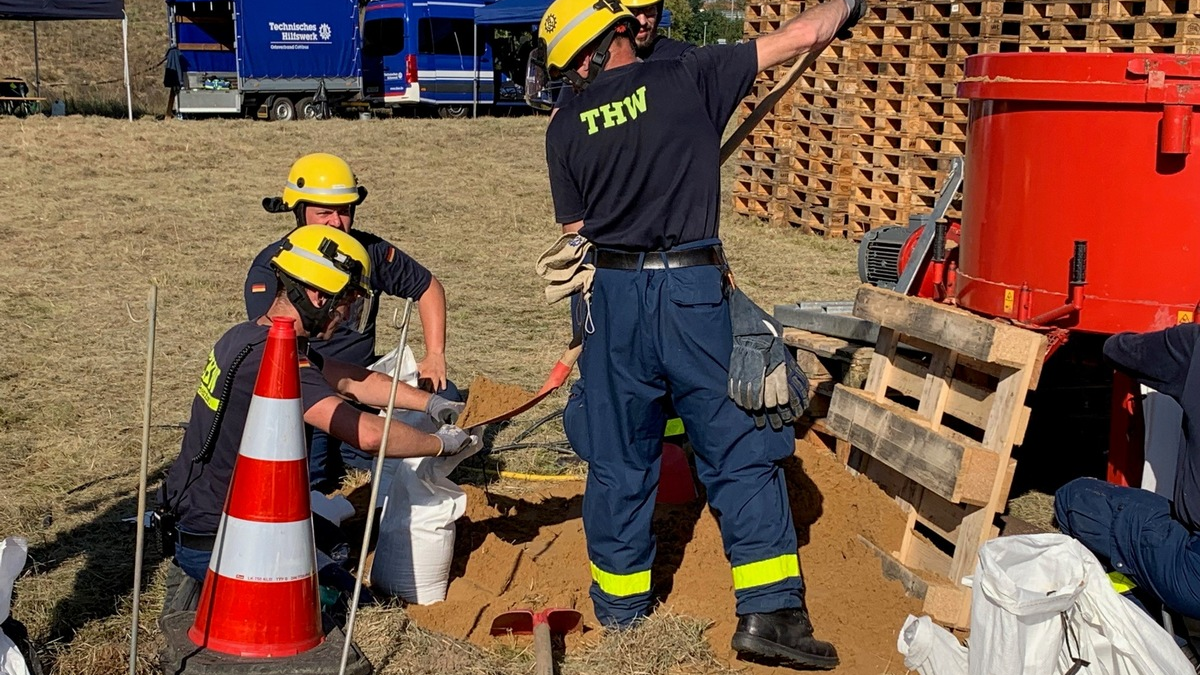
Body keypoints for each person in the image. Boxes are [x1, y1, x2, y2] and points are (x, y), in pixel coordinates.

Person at [530, 0, 862, 669]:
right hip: (691, 292)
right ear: (620, 30)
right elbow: (803, 34)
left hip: (613, 298)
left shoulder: (563, 127)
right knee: (739, 447)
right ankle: (771, 615)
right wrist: (848, 6)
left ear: (584, 55)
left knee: (619, 459)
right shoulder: (692, 74)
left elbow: (577, 238)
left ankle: (622, 618)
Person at [161, 225, 478, 594]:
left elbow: (352, 380)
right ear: (316, 295)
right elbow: (367, 435)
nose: (346, 316)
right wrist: (440, 444)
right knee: (345, 601)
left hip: (215, 516)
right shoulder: (276, 362)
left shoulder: (250, 335)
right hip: (225, 539)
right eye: (346, 303)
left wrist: (432, 403)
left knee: (336, 544)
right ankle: (207, 591)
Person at [246, 152, 457, 492]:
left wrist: (435, 355)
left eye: (343, 211)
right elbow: (274, 355)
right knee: (310, 480)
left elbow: (427, 286)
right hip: (310, 390)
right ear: (299, 211)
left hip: (364, 383)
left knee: (445, 395)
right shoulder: (274, 264)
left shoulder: (366, 252)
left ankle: (375, 458)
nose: (335, 222)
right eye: (324, 213)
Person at [1056, 324, 1200, 630]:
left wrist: (1172, 339)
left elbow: (1118, 350)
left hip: (1195, 573)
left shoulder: (1193, 347)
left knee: (1074, 499)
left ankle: (1156, 642)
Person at [551, 0, 692, 112]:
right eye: (633, 11)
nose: (642, 21)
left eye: (649, 10)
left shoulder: (682, 56)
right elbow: (558, 122)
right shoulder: (590, 62)